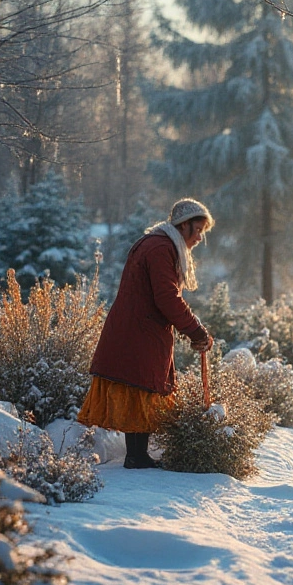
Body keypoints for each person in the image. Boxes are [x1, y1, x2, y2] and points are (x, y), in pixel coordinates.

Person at [77, 198, 215, 469]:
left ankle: (136, 455)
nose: (199, 237)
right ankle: (136, 456)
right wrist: (195, 330)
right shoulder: (161, 248)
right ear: (183, 225)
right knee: (141, 386)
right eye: (197, 230)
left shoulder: (157, 244)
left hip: (137, 327)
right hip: (139, 330)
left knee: (141, 387)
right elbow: (167, 297)